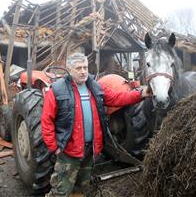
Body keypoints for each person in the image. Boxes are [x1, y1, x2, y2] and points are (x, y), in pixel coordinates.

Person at [41, 53, 151, 197]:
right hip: (69, 151)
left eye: (85, 67)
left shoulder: (94, 86)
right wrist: (54, 148)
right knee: (60, 191)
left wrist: (141, 93)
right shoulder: (57, 90)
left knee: (81, 187)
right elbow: (46, 121)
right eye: (78, 68)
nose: (83, 71)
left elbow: (116, 98)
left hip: (90, 150)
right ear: (69, 70)